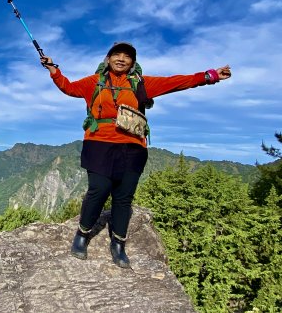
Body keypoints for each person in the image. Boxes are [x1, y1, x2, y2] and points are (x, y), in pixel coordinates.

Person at [40, 42, 232, 268]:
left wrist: (210, 76)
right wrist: (54, 69)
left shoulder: (141, 83)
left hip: (132, 147)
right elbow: (69, 87)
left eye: (127, 56)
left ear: (133, 62)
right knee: (98, 190)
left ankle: (118, 243)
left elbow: (176, 82)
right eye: (116, 55)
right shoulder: (94, 82)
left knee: (124, 197)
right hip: (99, 143)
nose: (121, 59)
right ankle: (82, 234)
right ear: (108, 58)